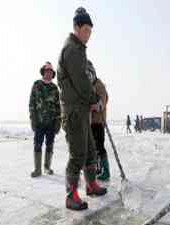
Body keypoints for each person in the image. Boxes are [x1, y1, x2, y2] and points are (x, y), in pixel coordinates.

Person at [57, 7, 107, 211]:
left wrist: (92, 101)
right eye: (86, 30)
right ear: (76, 27)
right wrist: (94, 99)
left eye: (90, 31)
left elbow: (85, 80)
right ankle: (71, 196)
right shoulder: (72, 50)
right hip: (74, 112)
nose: (88, 35)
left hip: (82, 110)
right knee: (77, 154)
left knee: (89, 151)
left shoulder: (79, 50)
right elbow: (81, 82)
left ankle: (91, 184)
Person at [29, 62, 61, 177]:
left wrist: (58, 121)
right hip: (39, 121)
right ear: (43, 72)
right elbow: (31, 103)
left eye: (51, 72)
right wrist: (32, 118)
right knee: (37, 144)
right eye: (47, 71)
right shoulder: (36, 85)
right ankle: (37, 169)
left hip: (51, 122)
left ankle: (47, 167)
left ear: (52, 74)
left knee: (50, 144)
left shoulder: (54, 88)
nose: (48, 73)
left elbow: (58, 106)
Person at [87, 60, 111, 182]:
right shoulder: (88, 87)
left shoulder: (99, 85)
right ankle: (97, 168)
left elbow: (103, 101)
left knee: (99, 146)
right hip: (90, 122)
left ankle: (106, 170)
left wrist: (95, 106)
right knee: (92, 147)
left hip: (98, 122)